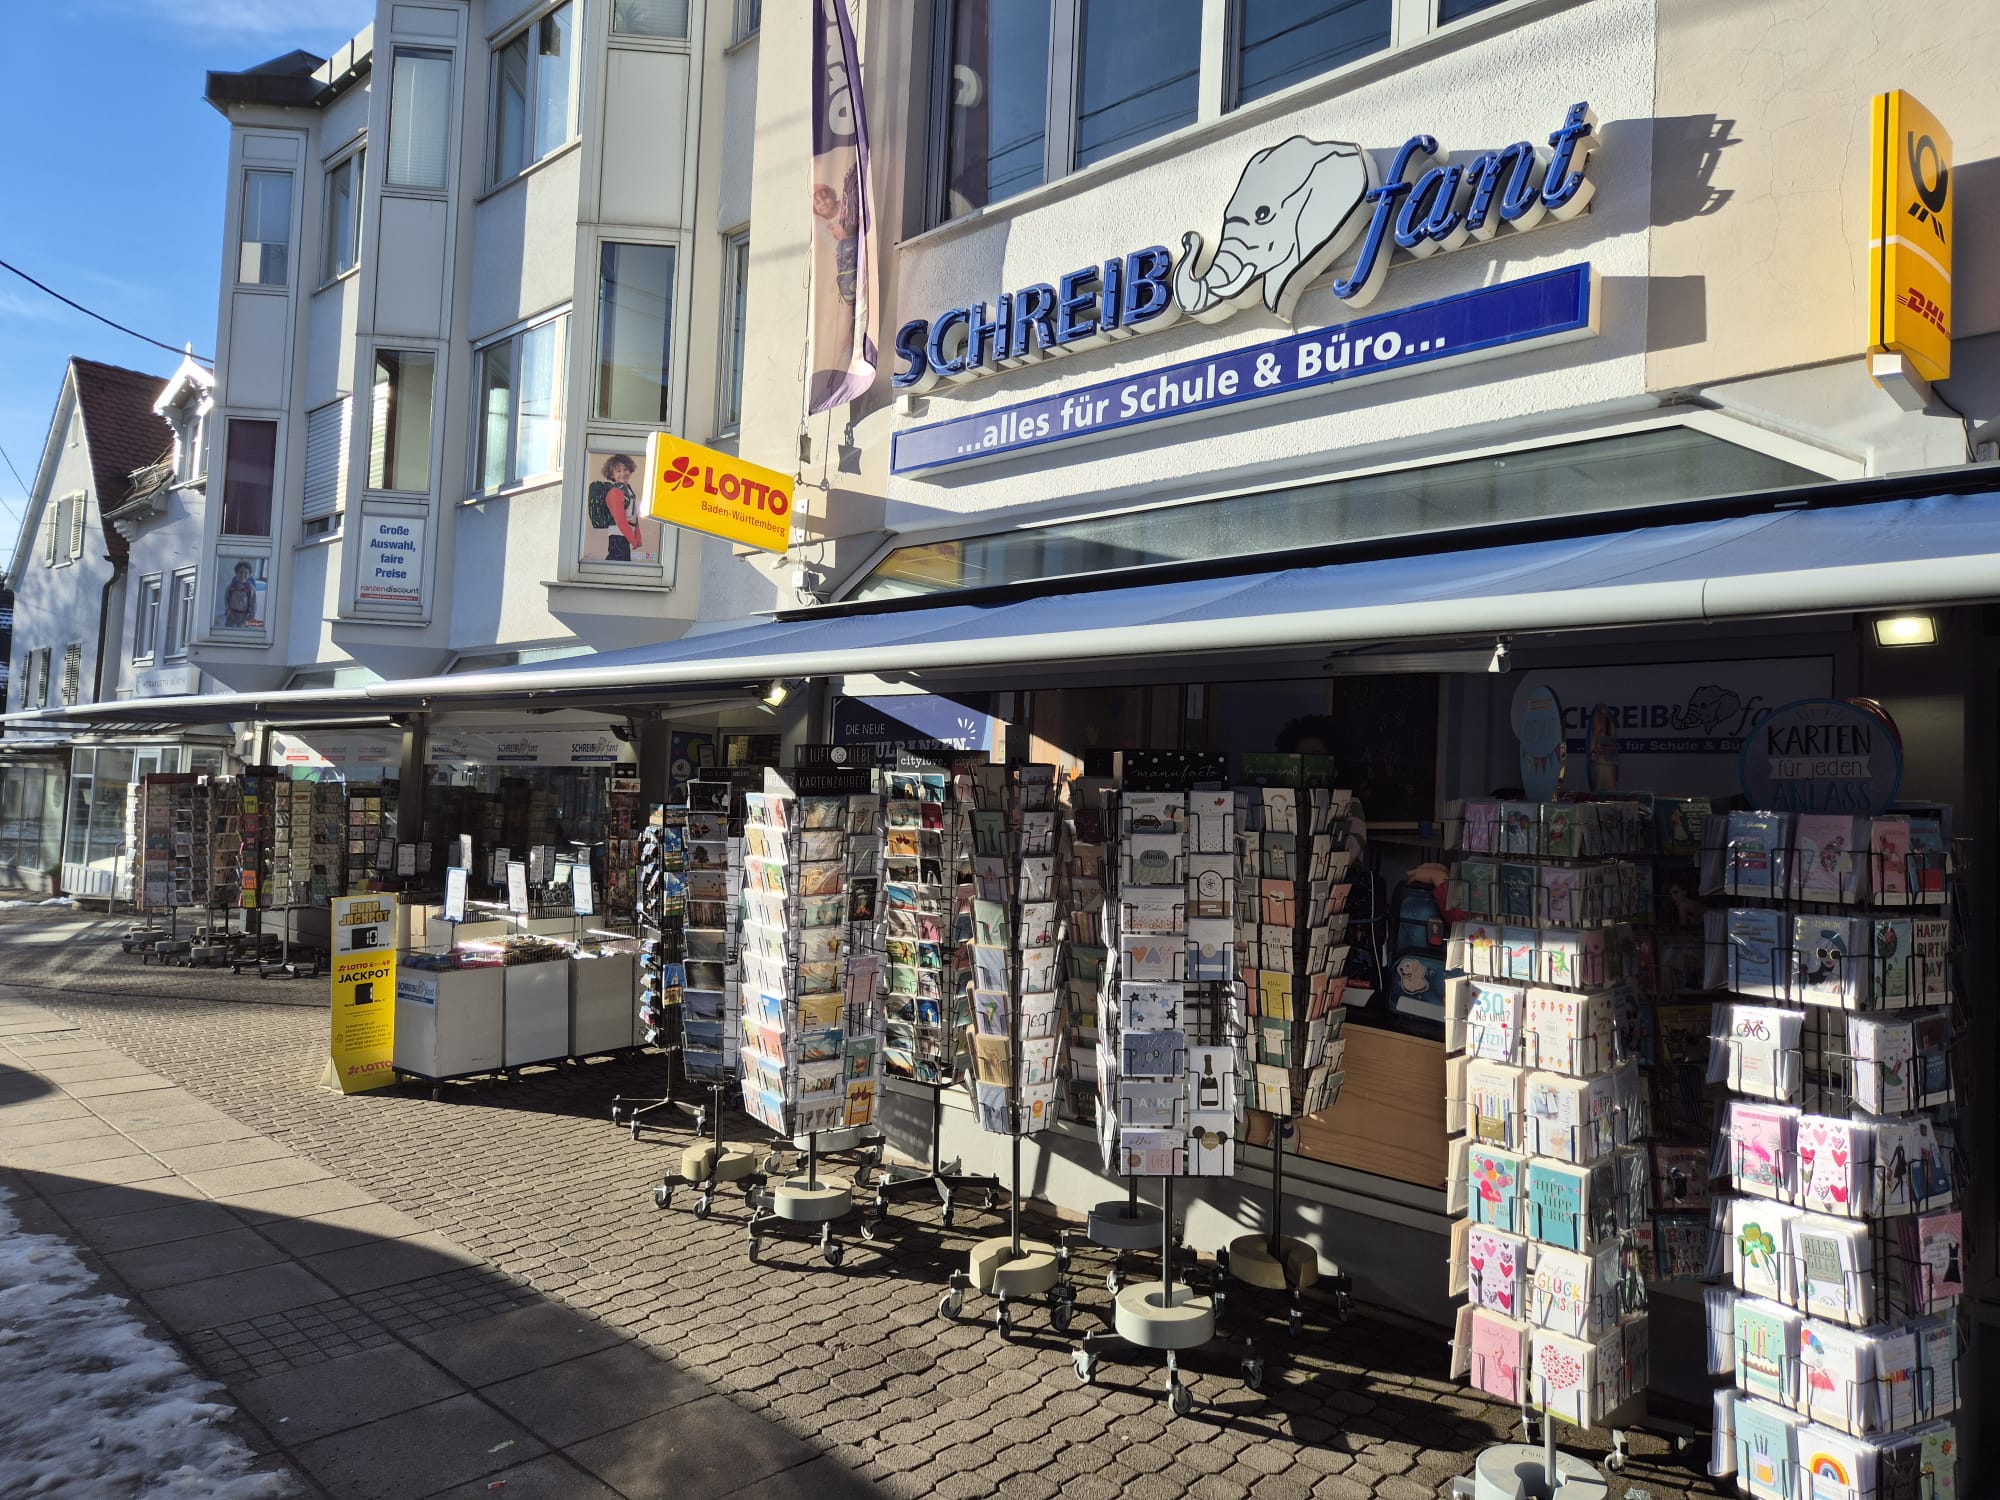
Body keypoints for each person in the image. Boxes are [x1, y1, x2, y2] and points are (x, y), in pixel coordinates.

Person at [587, 454, 645, 562]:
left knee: (621, 562)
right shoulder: (615, 492)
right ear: (612, 474)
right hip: (618, 535)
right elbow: (620, 520)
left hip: (625, 534)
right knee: (619, 562)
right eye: (618, 471)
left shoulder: (629, 490)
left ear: (630, 469)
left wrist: (638, 536)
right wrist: (632, 539)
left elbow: (634, 516)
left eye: (625, 469)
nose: (622, 473)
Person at [222, 561, 257, 627]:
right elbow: (226, 599)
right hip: (231, 615)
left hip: (244, 617)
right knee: (228, 630)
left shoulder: (251, 588)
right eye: (240, 572)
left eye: (246, 573)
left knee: (241, 631)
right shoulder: (231, 586)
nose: (243, 575)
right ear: (236, 573)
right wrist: (228, 610)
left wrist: (251, 617)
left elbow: (253, 604)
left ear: (249, 574)